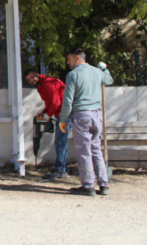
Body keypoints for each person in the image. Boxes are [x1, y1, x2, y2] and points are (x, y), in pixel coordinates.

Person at [58, 48, 113, 197]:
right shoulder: (96, 71)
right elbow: (108, 80)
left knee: (84, 151)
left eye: (69, 59)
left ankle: (88, 186)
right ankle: (104, 184)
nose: (68, 62)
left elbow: (68, 100)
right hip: (97, 115)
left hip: (82, 115)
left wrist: (63, 119)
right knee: (96, 149)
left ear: (77, 58)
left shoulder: (73, 74)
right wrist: (103, 68)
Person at [24, 69, 68, 179]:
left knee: (60, 141)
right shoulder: (40, 85)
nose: (31, 80)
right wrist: (41, 115)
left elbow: (55, 103)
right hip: (60, 114)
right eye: (29, 80)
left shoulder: (48, 83)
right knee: (60, 141)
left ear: (38, 75)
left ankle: (61, 170)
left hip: (64, 115)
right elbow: (49, 103)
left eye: (32, 77)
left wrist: (47, 116)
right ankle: (61, 167)